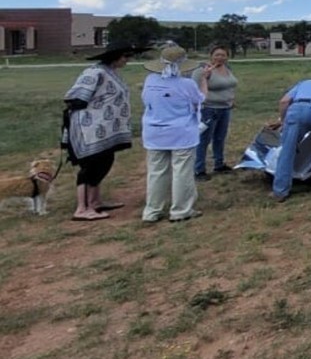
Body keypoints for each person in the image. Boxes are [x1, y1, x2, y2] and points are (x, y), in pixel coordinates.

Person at [63, 42, 148, 221]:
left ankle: (94, 202)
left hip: (105, 129)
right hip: (90, 129)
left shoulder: (110, 72)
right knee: (89, 167)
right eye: (125, 57)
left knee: (103, 163)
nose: (127, 60)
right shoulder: (95, 72)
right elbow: (76, 98)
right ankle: (81, 208)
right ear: (115, 57)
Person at [140, 44, 208, 223]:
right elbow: (200, 100)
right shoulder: (186, 84)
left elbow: (146, 101)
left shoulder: (150, 80)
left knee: (156, 172)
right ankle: (180, 210)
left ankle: (152, 210)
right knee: (182, 172)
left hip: (154, 131)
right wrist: (204, 81)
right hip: (181, 132)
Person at [191, 45, 238, 179]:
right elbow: (194, 89)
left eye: (223, 55)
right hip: (209, 109)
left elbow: (230, 85)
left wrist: (231, 98)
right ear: (211, 56)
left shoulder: (228, 69)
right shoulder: (202, 70)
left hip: (225, 108)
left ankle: (219, 164)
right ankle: (199, 169)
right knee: (204, 140)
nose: (220, 58)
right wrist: (205, 77)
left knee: (220, 138)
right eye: (217, 55)